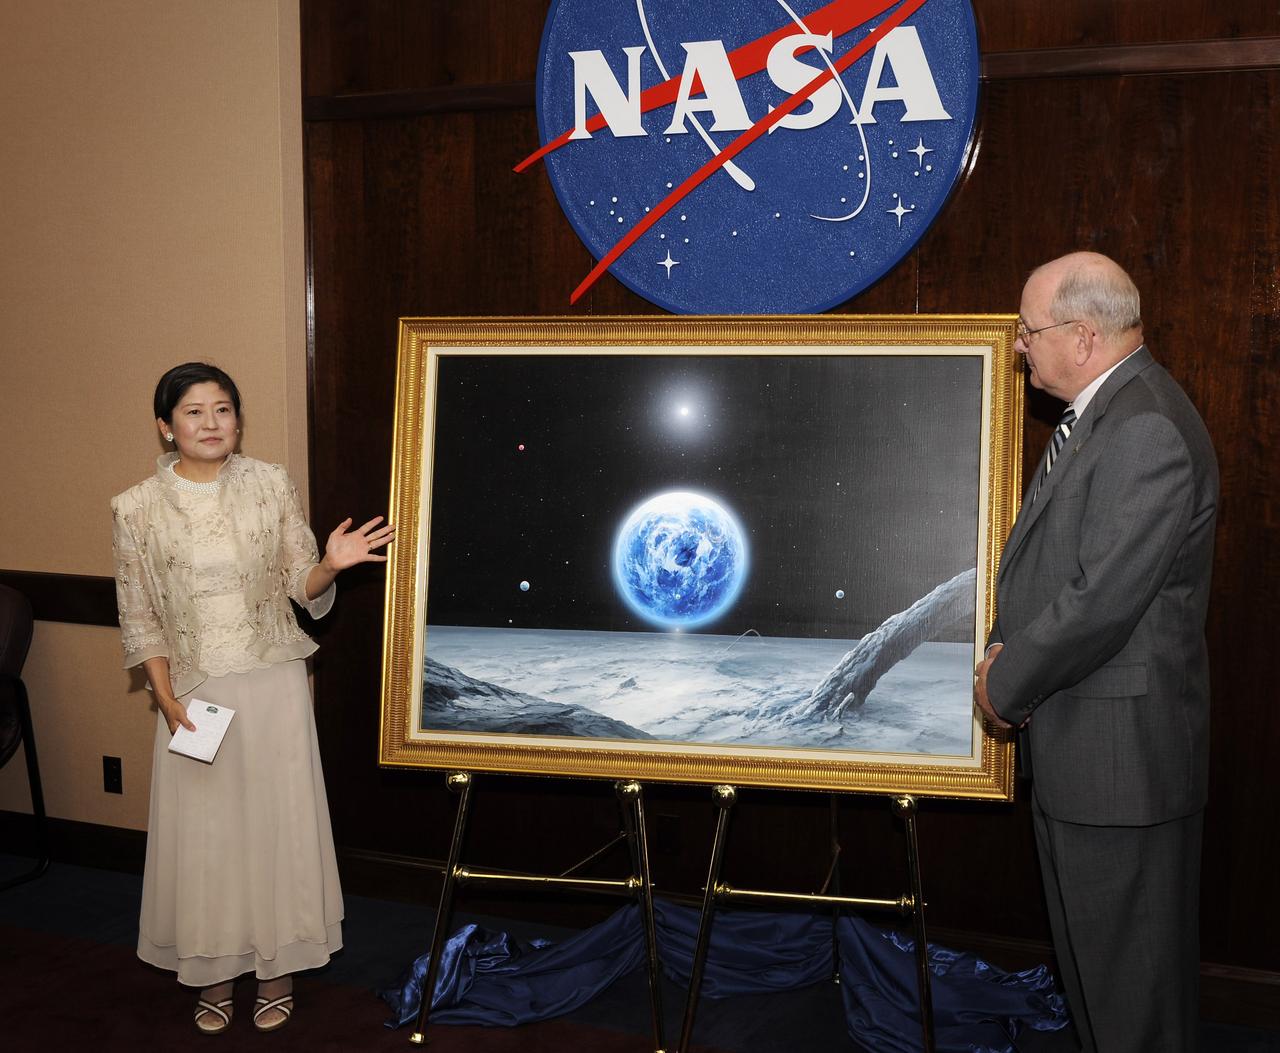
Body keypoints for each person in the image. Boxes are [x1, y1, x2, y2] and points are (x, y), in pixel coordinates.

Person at [973, 252, 1218, 1052]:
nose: (1019, 345)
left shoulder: (1144, 428)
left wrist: (1002, 683)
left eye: (1028, 330)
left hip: (1121, 769)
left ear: (1082, 337)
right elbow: (1058, 575)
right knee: (1102, 993)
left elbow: (1099, 603)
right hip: (1089, 759)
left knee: (1132, 1005)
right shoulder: (1108, 414)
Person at [111, 362, 394, 1034]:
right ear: (165, 426)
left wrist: (330, 564)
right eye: (194, 411)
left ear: (238, 420)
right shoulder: (135, 507)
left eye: (223, 409)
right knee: (207, 834)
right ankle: (213, 971)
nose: (211, 423)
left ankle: (277, 968)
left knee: (276, 824)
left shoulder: (270, 483)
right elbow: (140, 616)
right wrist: (165, 699)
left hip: (273, 684)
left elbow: (301, 583)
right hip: (193, 692)